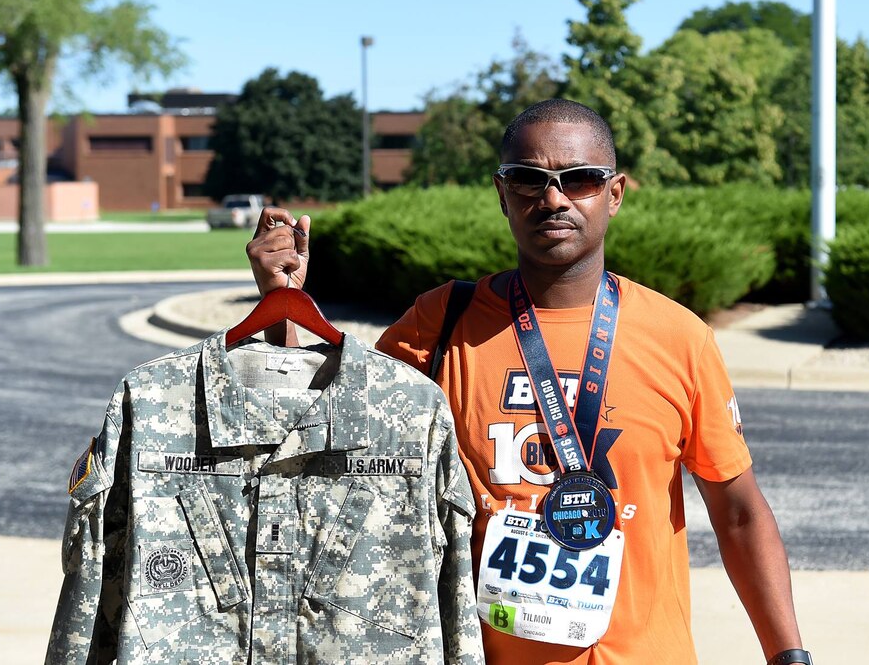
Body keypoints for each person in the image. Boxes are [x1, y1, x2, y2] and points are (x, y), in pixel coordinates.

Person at [247, 99, 810, 665]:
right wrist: (284, 304)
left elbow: (737, 512)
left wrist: (788, 656)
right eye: (528, 180)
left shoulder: (678, 337)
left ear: (613, 194)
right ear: (502, 194)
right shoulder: (442, 323)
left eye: (580, 179)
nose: (553, 198)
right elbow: (319, 438)